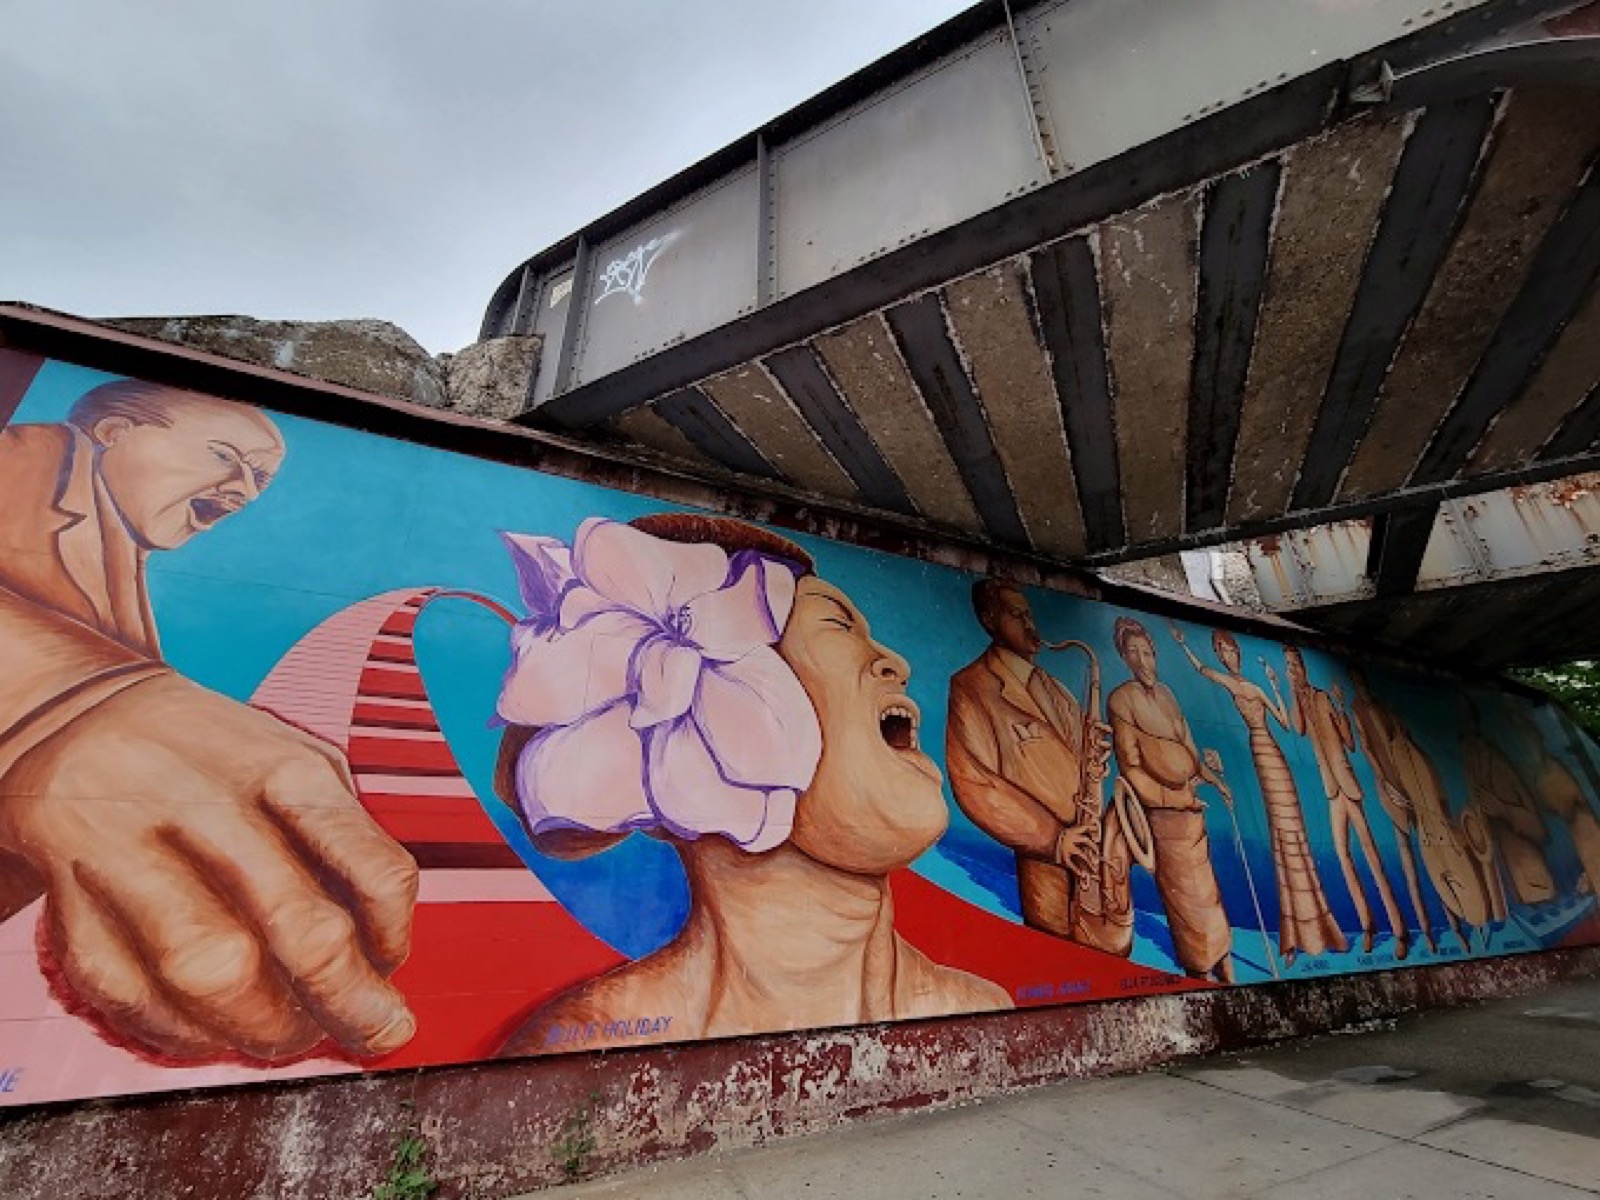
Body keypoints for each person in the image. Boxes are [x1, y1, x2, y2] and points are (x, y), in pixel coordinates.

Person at [0, 379, 419, 1064]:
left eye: (258, 479)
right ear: (114, 433)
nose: (243, 489)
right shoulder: (23, 460)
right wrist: (47, 707)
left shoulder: (116, 553)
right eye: (226, 455)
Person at [492, 515, 1011, 1054]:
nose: (895, 663)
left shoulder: (981, 1013)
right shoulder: (579, 1052)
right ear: (699, 722)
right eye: (837, 625)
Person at [945, 579, 1111, 941]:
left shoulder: (1056, 688)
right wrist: (1054, 840)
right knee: (1058, 961)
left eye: (1029, 614)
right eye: (1016, 615)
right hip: (1045, 862)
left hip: (1091, 853)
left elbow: (1076, 761)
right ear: (990, 619)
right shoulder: (971, 687)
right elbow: (975, 782)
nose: (1030, 624)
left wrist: (1093, 761)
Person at [1171, 628, 1345, 964]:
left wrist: (1278, 689)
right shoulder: (1230, 683)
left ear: (1237, 651)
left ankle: (1320, 925)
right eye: (1219, 651)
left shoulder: (1254, 687)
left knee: (1295, 832)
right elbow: (1201, 671)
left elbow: (1284, 721)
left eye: (1227, 649)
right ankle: (1293, 933)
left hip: (1273, 752)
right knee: (1280, 836)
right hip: (1258, 753)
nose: (1225, 655)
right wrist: (1182, 644)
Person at [1106, 618, 1235, 983]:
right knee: (1185, 904)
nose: (1143, 661)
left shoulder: (1167, 694)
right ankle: (1199, 975)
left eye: (1147, 652)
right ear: (1124, 657)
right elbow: (1131, 768)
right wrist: (1174, 798)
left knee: (1209, 898)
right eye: (1134, 653)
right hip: (1163, 818)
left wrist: (1212, 781)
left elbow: (1189, 751)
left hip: (1192, 814)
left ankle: (1226, 969)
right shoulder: (1121, 699)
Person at [1281, 648, 1407, 957]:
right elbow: (1297, 728)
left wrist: (1338, 708)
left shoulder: (1323, 698)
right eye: (1289, 666)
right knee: (1342, 855)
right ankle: (1368, 925)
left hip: (1347, 785)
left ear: (1304, 667)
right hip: (1330, 789)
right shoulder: (1303, 701)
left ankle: (1399, 931)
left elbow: (1349, 743)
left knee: (1372, 858)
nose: (1293, 670)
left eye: (1296, 664)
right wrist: (1293, 692)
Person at [1347, 670, 1482, 951]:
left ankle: (1457, 927)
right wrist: (1385, 782)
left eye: (1362, 681)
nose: (1361, 686)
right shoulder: (1357, 709)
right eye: (1356, 682)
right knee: (1409, 864)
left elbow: (1405, 739)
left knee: (1439, 860)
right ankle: (1425, 933)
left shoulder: (1384, 707)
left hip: (1412, 779)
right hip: (1390, 785)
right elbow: (1368, 747)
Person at [1461, 699, 1556, 908]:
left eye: (1466, 719)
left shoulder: (1495, 760)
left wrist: (1503, 809)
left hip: (1526, 859)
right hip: (1508, 862)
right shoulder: (1470, 759)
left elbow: (1538, 827)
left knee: (1538, 895)